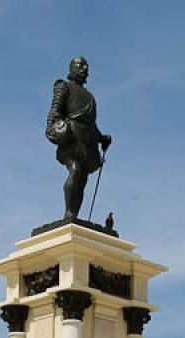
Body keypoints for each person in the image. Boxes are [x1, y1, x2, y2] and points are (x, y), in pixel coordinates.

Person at [46, 56, 112, 220]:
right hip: (71, 138)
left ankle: (74, 215)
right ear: (71, 68)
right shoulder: (63, 87)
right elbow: (55, 113)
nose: (84, 68)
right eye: (80, 65)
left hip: (87, 141)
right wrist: (56, 130)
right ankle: (69, 213)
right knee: (75, 171)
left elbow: (91, 124)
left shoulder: (90, 97)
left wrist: (101, 138)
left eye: (86, 66)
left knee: (82, 178)